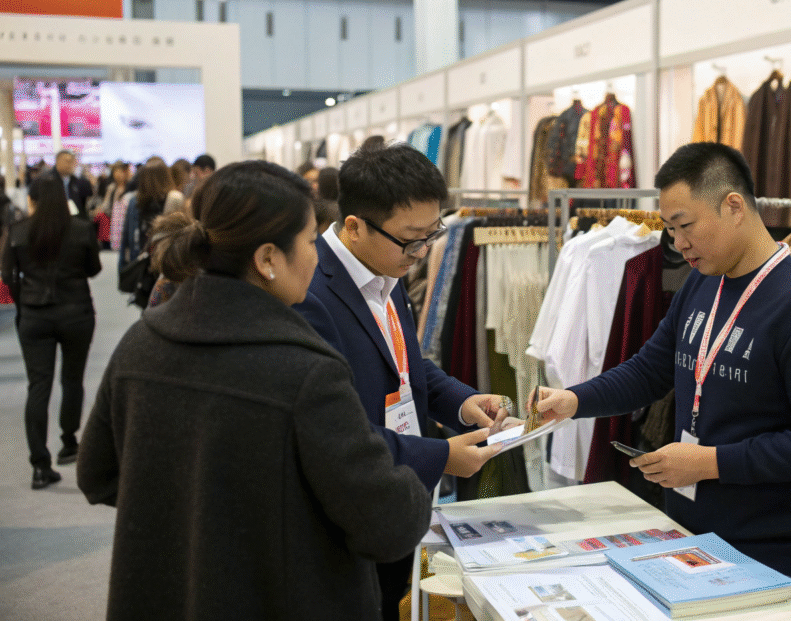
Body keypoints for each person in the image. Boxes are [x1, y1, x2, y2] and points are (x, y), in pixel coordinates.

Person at [77, 161, 432, 620]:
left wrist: (190, 511)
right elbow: (388, 523)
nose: (316, 258)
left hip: (164, 594)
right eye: (310, 242)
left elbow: (98, 474)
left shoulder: (141, 344)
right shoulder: (305, 372)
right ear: (267, 259)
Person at [531, 142, 791, 579]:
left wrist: (709, 463)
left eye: (685, 225)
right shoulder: (704, 282)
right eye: (670, 229)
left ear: (733, 207)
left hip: (762, 557)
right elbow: (650, 370)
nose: (678, 243)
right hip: (687, 535)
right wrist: (573, 401)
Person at [293, 140, 507, 621]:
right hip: (350, 513)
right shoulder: (310, 291)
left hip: (395, 500)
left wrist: (462, 401)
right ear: (355, 227)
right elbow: (332, 429)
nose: (423, 251)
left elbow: (406, 365)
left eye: (432, 234)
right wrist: (442, 456)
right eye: (412, 239)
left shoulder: (383, 269)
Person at [2, 176, 101, 489]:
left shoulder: (17, 232)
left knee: (38, 385)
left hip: (34, 315)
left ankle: (39, 465)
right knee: (72, 379)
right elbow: (94, 268)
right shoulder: (82, 229)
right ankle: (69, 441)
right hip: (76, 313)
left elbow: (7, 275)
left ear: (31, 200)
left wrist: (23, 303)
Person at [119, 162, 179, 274]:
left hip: (162, 261)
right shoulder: (135, 201)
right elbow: (127, 235)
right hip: (143, 260)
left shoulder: (173, 199)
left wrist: (123, 267)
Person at [51, 149, 93, 219]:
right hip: (54, 219)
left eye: (72, 162)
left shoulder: (80, 182)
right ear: (58, 161)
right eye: (67, 161)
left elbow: (85, 202)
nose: (70, 164)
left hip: (76, 219)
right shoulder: (46, 181)